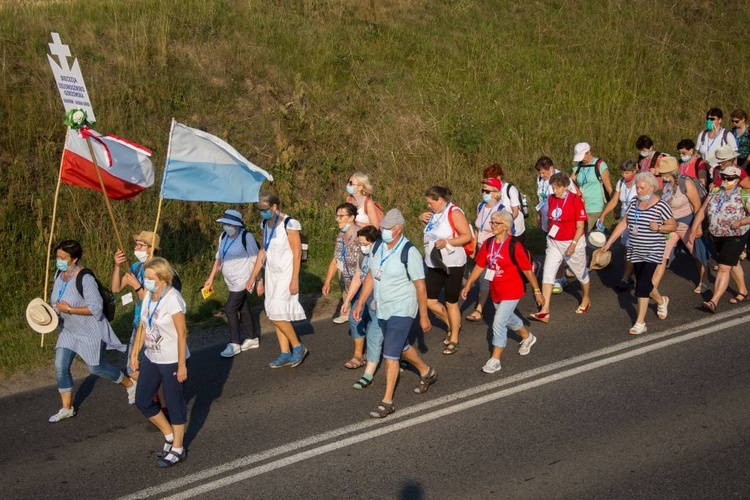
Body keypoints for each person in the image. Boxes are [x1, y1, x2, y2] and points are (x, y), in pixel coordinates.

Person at [353, 209, 435, 419]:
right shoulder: (379, 246)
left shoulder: (410, 251)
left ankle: (387, 402)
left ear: (398, 230)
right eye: (382, 227)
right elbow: (371, 274)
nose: (383, 230)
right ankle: (427, 372)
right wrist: (361, 302)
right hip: (383, 307)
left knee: (390, 355)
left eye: (387, 228)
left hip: (402, 309)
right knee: (401, 346)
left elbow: (420, 286)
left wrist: (424, 315)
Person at [48, 240, 135, 423]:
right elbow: (55, 300)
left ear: (74, 259)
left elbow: (95, 308)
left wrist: (70, 309)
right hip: (68, 330)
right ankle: (66, 408)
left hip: (90, 331)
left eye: (63, 258)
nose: (59, 260)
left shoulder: (85, 279)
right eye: (57, 257)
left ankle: (129, 384)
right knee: (60, 366)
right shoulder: (59, 274)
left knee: (96, 367)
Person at [460, 211, 544, 373]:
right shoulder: (488, 243)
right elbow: (480, 265)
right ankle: (527, 337)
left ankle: (495, 359)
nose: (492, 225)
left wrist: (537, 291)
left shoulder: (515, 246)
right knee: (507, 318)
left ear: (506, 226)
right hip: (497, 289)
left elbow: (527, 271)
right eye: (491, 222)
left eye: (496, 223)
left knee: (498, 321)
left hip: (513, 289)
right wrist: (469, 283)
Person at [131, 257, 189, 467]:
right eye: (145, 277)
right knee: (143, 400)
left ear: (163, 278)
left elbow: (182, 333)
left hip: (171, 358)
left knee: (174, 403)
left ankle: (178, 448)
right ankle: (169, 435)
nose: (146, 281)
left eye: (149, 278)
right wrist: (135, 352)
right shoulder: (148, 296)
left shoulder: (172, 298)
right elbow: (142, 325)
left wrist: (181, 364)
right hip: (151, 356)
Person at [601, 173, 676, 334]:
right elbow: (624, 223)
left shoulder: (660, 205)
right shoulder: (635, 202)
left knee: (641, 286)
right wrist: (609, 242)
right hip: (636, 249)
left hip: (653, 250)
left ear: (652, 188)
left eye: (642, 187)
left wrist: (660, 228)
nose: (639, 190)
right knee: (646, 284)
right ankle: (661, 301)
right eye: (637, 187)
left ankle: (640, 322)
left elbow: (673, 225)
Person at [248, 194, 308, 368]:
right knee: (272, 312)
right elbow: (262, 250)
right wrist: (253, 276)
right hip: (271, 272)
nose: (261, 213)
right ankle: (284, 352)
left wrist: (294, 279)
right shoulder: (264, 224)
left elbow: (297, 254)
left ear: (274, 207)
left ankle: (298, 346)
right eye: (259, 210)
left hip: (287, 272)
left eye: (264, 209)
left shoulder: (290, 223)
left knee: (276, 310)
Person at [690, 157, 750, 313]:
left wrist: (742, 221)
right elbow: (702, 210)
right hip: (717, 235)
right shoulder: (715, 192)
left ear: (737, 179)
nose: (726, 180)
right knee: (732, 262)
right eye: (723, 176)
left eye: (730, 178)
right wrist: (694, 228)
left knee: (724, 268)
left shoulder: (744, 195)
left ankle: (713, 300)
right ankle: (743, 291)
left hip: (736, 234)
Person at [530, 172, 591, 323]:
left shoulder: (575, 200)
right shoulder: (551, 199)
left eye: (557, 188)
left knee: (580, 273)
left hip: (571, 241)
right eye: (553, 188)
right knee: (548, 273)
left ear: (565, 187)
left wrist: (573, 244)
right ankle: (545, 310)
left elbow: (580, 226)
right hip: (554, 241)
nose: (555, 191)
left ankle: (586, 298)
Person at [420, 186, 472, 355]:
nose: (429, 206)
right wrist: (422, 219)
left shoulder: (454, 212)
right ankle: (452, 324)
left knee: (451, 302)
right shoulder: (435, 213)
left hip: (453, 263)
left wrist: (447, 242)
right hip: (434, 263)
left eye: (430, 203)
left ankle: (454, 338)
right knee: (429, 301)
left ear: (440, 200)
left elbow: (466, 236)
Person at [203, 209, 260, 358]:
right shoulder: (224, 236)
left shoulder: (246, 237)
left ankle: (234, 343)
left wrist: (258, 280)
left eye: (229, 224)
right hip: (231, 281)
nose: (226, 226)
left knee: (230, 308)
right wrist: (210, 278)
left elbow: (256, 259)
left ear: (237, 225)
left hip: (244, 279)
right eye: (225, 223)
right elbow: (218, 259)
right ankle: (252, 338)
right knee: (243, 308)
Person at [651, 157, 706, 295]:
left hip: (686, 222)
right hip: (671, 224)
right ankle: (653, 287)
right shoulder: (666, 184)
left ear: (671, 171)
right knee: (661, 255)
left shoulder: (685, 182)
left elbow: (697, 205)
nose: (661, 175)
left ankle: (704, 282)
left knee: (696, 253)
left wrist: (697, 226)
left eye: (663, 173)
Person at [340, 225, 385, 389]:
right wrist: (348, 301)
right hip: (367, 299)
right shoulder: (363, 256)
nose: (362, 247)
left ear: (374, 241)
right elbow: (359, 277)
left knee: (380, 333)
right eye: (360, 243)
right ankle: (362, 359)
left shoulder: (382, 256)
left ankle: (400, 357)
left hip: (382, 301)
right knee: (355, 319)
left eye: (365, 243)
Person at [111, 231, 161, 378]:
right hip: (138, 322)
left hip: (152, 323)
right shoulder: (135, 267)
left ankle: (153, 393)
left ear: (151, 249)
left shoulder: (157, 270)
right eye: (136, 245)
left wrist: (137, 286)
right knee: (133, 368)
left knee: (136, 368)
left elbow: (154, 302)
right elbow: (116, 288)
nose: (136, 248)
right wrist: (117, 266)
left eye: (141, 245)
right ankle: (152, 393)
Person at [321, 203, 364, 363]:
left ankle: (359, 356)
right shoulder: (341, 236)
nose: (337, 219)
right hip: (350, 286)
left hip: (365, 285)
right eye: (337, 215)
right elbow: (335, 260)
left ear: (352, 217)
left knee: (355, 319)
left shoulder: (362, 235)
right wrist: (327, 282)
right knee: (363, 319)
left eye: (341, 216)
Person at [464, 177, 510, 323]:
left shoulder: (502, 209)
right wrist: (474, 246)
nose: (484, 193)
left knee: (497, 279)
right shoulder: (481, 206)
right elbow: (479, 227)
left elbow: (508, 232)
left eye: (487, 191)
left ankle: (505, 306)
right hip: (481, 249)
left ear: (496, 193)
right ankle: (479, 308)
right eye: (483, 190)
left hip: (495, 250)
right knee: (484, 280)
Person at [533, 156, 579, 294]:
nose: (542, 175)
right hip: (547, 220)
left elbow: (575, 196)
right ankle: (561, 276)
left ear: (551, 169)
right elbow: (541, 198)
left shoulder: (563, 179)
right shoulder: (540, 179)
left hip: (560, 221)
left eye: (544, 172)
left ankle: (560, 277)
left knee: (557, 250)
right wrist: (539, 215)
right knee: (553, 249)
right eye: (540, 173)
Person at [597, 159, 639, 291]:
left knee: (631, 250)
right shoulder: (621, 183)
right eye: (623, 173)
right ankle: (632, 274)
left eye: (627, 173)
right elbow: (615, 200)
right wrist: (603, 214)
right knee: (628, 250)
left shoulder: (640, 182)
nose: (624, 175)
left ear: (634, 171)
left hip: (637, 219)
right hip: (624, 220)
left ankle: (625, 278)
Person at [570, 142, 614, 230]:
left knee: (584, 232)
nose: (582, 160)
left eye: (583, 157)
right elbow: (571, 181)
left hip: (594, 206)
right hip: (580, 205)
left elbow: (609, 188)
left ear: (589, 152)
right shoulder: (578, 165)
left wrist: (615, 206)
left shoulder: (600, 165)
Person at [483, 163, 526, 243]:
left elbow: (515, 212)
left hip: (514, 229)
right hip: (499, 229)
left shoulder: (510, 189)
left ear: (499, 177)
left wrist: (505, 224)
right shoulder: (490, 190)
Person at [696, 107, 738, 175]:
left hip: (721, 173)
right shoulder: (702, 135)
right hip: (705, 173)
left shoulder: (727, 135)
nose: (709, 121)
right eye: (707, 119)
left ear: (720, 120)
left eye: (712, 119)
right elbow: (697, 154)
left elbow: (734, 157)